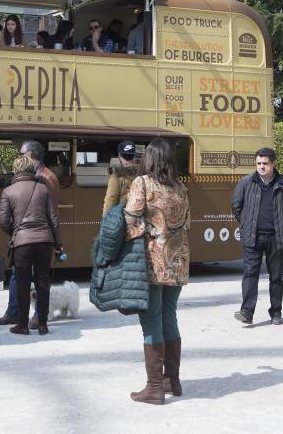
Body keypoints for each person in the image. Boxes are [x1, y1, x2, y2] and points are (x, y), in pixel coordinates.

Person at [124, 138, 190, 405]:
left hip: (153, 262)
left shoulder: (143, 183)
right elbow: (187, 223)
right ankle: (171, 380)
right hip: (178, 261)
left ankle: (153, 387)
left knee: (151, 320)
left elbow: (131, 220)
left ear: (149, 159)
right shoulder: (181, 188)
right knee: (169, 316)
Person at [0, 140, 60, 329]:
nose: (19, 156)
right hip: (40, 238)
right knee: (30, 279)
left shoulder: (47, 177)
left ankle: (36, 317)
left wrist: (15, 232)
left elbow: (51, 211)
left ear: (29, 155)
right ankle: (18, 314)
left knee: (31, 280)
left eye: (21, 153)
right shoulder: (39, 181)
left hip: (28, 238)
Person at [231, 147, 283, 326]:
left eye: (265, 163)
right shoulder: (246, 182)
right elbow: (236, 206)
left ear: (273, 163)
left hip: (276, 237)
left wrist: (279, 223)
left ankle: (276, 312)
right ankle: (246, 312)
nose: (261, 167)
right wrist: (247, 223)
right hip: (252, 237)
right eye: (259, 163)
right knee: (250, 274)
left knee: (276, 276)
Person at [102, 140, 139, 218]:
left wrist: (105, 219)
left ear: (119, 155)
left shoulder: (116, 175)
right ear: (134, 156)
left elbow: (110, 199)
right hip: (138, 219)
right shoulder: (142, 174)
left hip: (121, 219)